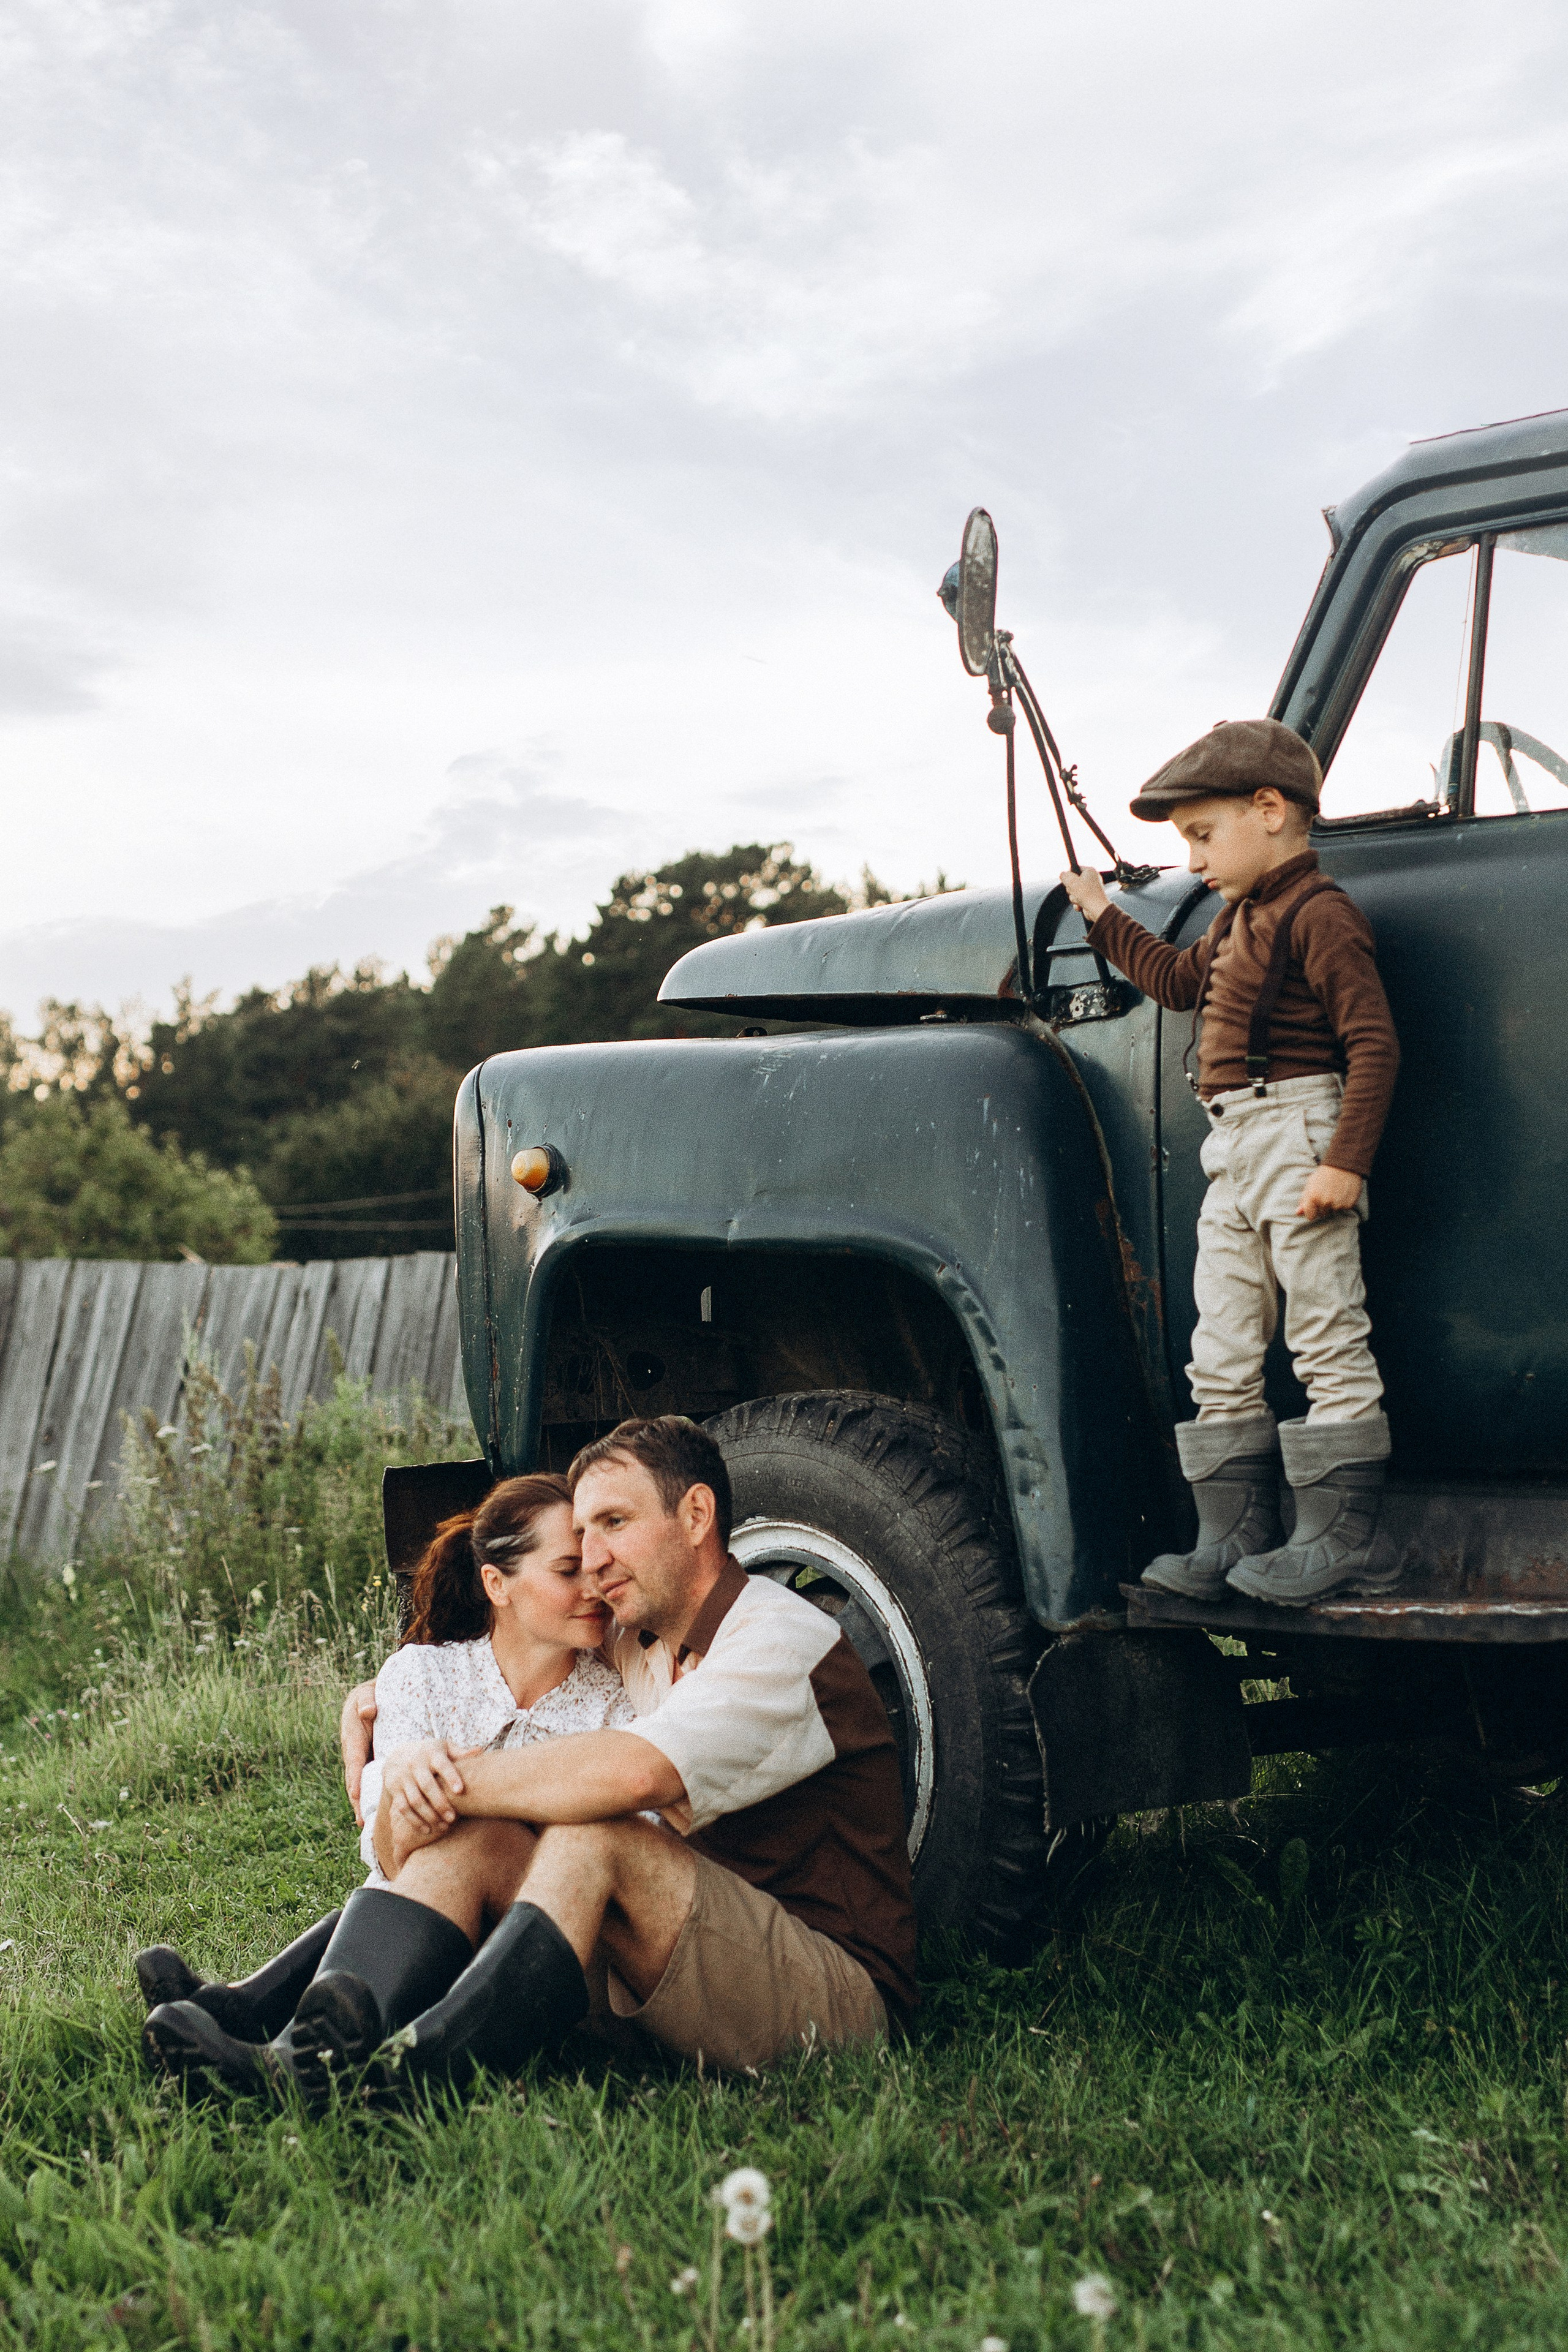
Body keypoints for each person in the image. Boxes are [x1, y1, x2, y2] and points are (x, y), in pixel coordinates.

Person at [326, 1414, 916, 2099]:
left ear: (696, 1515)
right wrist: (379, 1705)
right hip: (689, 1957)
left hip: (834, 1997)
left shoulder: (781, 1639)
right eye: (582, 1536)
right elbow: (527, 1627)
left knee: (599, 1833)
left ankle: (427, 2066)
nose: (595, 1557)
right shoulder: (646, 1640)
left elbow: (636, 1772)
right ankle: (305, 2045)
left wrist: (437, 1782)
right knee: (482, 1840)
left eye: (613, 1523)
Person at [138, 1472, 632, 2095]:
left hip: (555, 1945)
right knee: (446, 1829)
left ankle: (285, 2043)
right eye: (568, 1571)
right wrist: (409, 1797)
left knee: (471, 1830)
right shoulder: (425, 1674)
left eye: (595, 1568)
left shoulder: (617, 1698)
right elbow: (384, 1851)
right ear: (495, 1584)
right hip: (436, 1906)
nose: (594, 1588)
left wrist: (471, 1799)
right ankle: (264, 2019)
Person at [1060, 717, 1401, 1607]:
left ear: (1271, 809)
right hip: (1234, 1144)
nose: (1196, 861)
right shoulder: (1236, 920)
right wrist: (1103, 915)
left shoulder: (1320, 916)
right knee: (1221, 1342)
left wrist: (1344, 1162)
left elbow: (1373, 1045)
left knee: (1326, 1331)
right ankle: (1231, 1536)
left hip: (1299, 1138)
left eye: (1204, 838)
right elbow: (1177, 982)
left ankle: (1347, 1539)